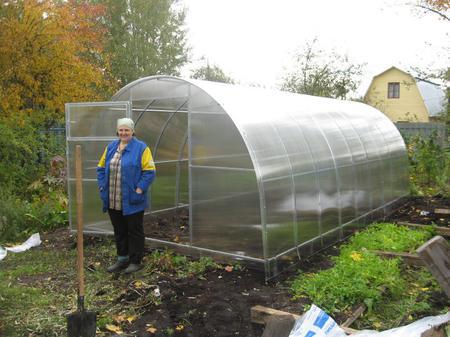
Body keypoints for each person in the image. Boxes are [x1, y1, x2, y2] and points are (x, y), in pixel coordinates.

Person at [97, 118, 156, 274]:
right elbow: (101, 168)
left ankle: (135, 261)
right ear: (117, 131)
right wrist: (103, 186)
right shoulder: (111, 147)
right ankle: (122, 259)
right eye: (121, 130)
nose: (123, 133)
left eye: (127, 130)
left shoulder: (142, 148)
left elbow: (149, 171)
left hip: (132, 199)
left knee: (134, 230)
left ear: (132, 131)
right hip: (113, 198)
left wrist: (139, 189)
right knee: (119, 229)